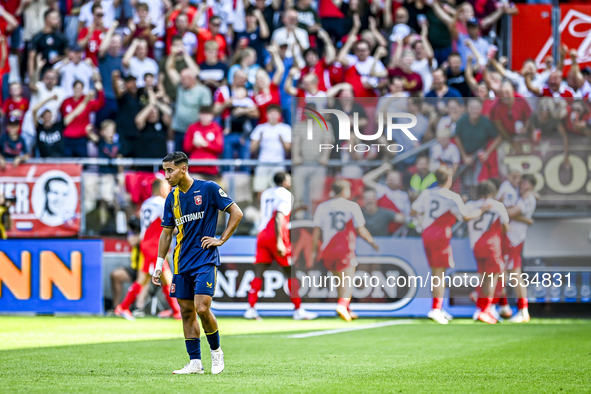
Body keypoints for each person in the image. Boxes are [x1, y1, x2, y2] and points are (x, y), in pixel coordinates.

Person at [152, 151, 243, 375]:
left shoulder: (209, 188)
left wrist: (221, 239)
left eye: (170, 170)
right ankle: (195, 363)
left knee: (202, 308)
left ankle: (216, 352)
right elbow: (166, 234)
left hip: (205, 259)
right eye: (165, 170)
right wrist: (158, 263)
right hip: (181, 262)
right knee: (186, 311)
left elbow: (236, 212)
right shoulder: (171, 198)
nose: (166, 175)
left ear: (183, 168)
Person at [410, 166, 488, 324]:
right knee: (439, 274)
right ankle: (436, 309)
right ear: (449, 179)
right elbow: (466, 217)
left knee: (436, 273)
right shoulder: (452, 196)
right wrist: (482, 210)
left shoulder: (426, 193)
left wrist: (420, 224)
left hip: (427, 234)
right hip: (440, 236)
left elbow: (413, 211)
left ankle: (439, 307)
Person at [244, 172, 318, 321]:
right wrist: (279, 242)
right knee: (290, 272)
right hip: (276, 235)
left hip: (262, 234)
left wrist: (296, 210)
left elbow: (272, 211)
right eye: (289, 179)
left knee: (258, 272)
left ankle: (251, 309)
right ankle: (298, 310)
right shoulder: (286, 194)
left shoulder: (266, 193)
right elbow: (278, 216)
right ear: (285, 182)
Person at [311, 180, 379, 322]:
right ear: (344, 191)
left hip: (328, 249)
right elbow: (360, 229)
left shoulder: (322, 207)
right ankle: (342, 305)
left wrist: (313, 251)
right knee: (348, 281)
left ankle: (346, 309)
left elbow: (316, 231)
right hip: (345, 248)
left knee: (339, 281)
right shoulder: (352, 206)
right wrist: (372, 242)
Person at [115, 179, 181, 321]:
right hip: (155, 247)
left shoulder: (146, 204)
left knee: (149, 278)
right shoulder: (162, 203)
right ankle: (177, 312)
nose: (169, 190)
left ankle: (175, 311)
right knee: (166, 278)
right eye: (167, 187)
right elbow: (172, 226)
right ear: (161, 189)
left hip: (147, 244)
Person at [465, 180, 510, 325]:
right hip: (492, 245)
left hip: (476, 245)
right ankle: (487, 309)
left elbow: (464, 218)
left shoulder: (471, 205)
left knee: (484, 277)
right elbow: (505, 226)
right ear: (492, 192)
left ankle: (480, 309)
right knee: (493, 278)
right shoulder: (497, 206)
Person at [505, 174, 536, 323]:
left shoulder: (527, 199)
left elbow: (510, 213)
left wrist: (502, 210)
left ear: (531, 186)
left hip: (515, 240)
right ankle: (506, 307)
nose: (521, 185)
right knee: (507, 275)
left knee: (515, 275)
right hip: (511, 239)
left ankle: (523, 310)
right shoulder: (521, 197)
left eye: (525, 183)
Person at [250, 105, 292, 194]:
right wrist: (260, 139)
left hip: (279, 164)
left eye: (275, 113)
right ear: (266, 115)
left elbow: (288, 150)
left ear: (279, 115)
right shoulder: (260, 128)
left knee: (279, 191)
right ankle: (262, 208)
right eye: (271, 113)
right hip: (263, 163)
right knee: (260, 190)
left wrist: (282, 140)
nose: (273, 116)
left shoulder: (285, 128)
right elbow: (252, 149)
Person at [362, 163, 411, 235]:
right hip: (381, 230)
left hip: (398, 231)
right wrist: (382, 169)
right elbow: (365, 180)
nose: (391, 181)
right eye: (389, 178)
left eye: (394, 179)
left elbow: (407, 215)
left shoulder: (404, 196)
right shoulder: (382, 190)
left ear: (400, 181)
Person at [182, 106, 224, 178]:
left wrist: (205, 144)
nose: (205, 117)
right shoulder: (192, 127)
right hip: (195, 168)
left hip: (211, 169)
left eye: (207, 115)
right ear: (199, 115)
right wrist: (194, 143)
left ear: (212, 116)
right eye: (203, 115)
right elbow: (186, 147)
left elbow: (219, 148)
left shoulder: (216, 128)